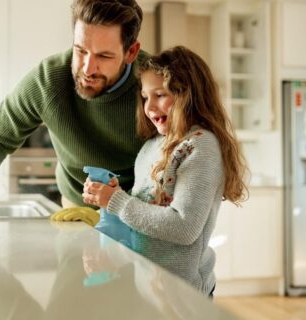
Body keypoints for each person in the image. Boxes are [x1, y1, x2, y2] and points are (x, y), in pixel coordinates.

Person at [53, 46, 248, 297]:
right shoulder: (152, 146)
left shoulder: (200, 146)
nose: (150, 107)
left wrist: (116, 201)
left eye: (160, 95)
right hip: (149, 286)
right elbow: (143, 220)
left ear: (188, 95)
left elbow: (183, 227)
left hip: (183, 295)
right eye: (145, 97)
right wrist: (110, 209)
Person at [0, 0, 154, 210]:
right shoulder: (49, 80)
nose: (87, 69)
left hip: (136, 207)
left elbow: (181, 153)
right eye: (81, 50)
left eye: (103, 56)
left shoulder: (156, 82)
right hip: (76, 203)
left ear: (131, 52)